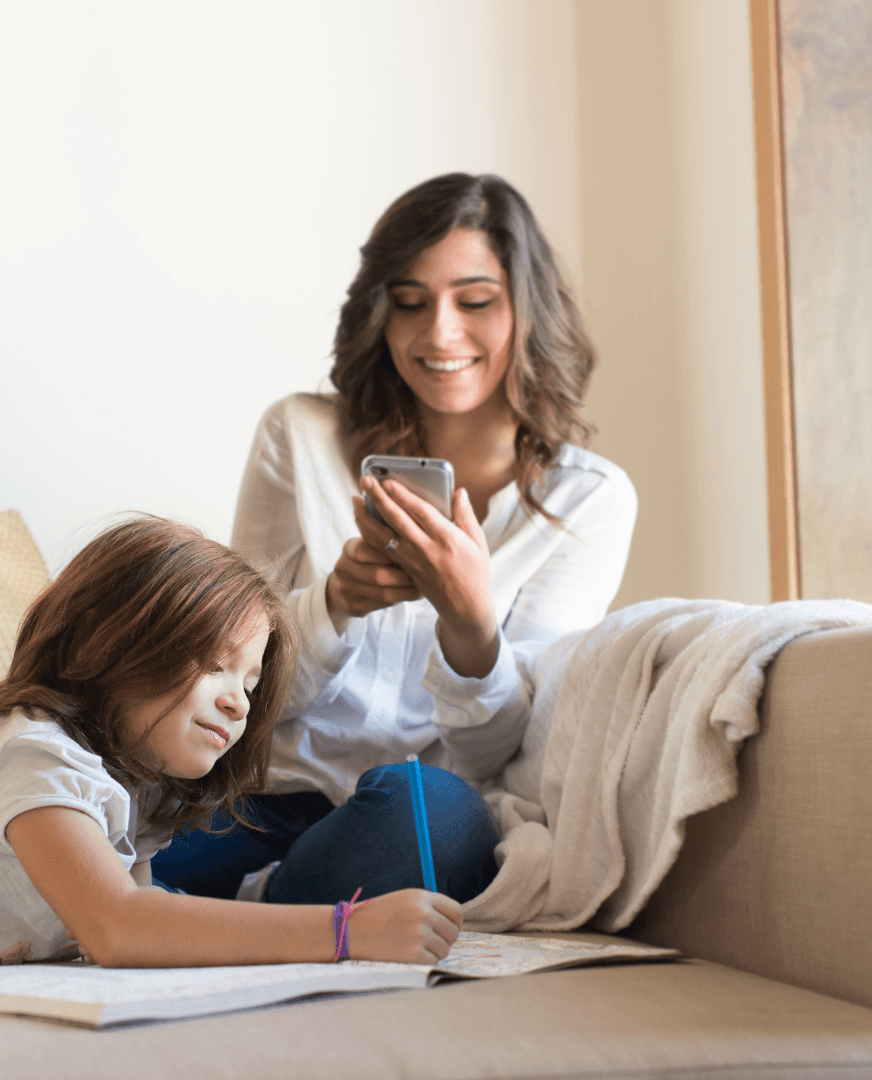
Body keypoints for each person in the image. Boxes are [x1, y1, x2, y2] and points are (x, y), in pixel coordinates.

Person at [152, 173, 637, 907]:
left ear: (526, 310)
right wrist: (334, 604)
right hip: (258, 793)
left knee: (438, 816)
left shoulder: (587, 501)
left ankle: (252, 910)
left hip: (407, 816)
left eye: (475, 302)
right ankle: (263, 908)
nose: (439, 333)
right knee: (71, 855)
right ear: (380, 312)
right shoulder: (299, 436)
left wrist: (471, 625)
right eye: (409, 303)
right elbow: (235, 686)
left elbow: (500, 751)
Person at [0, 517, 461, 968]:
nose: (238, 702)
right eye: (215, 666)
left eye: (250, 684)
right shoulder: (31, 749)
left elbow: (132, 938)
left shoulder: (138, 789)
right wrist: (345, 930)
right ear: (105, 641)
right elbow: (121, 927)